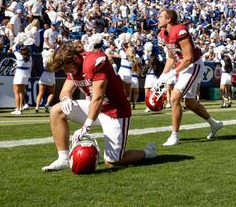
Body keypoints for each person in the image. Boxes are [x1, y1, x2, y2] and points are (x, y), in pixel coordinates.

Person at [42, 41, 156, 171]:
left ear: (75, 58)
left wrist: (86, 126)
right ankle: (63, 158)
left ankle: (147, 153)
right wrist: (66, 98)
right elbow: (65, 90)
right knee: (56, 110)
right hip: (94, 108)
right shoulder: (73, 66)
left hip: (114, 111)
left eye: (67, 67)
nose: (67, 71)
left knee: (113, 162)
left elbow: (98, 97)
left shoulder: (95, 61)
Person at [157, 9, 223, 146]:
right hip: (183, 66)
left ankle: (174, 135)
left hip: (193, 65)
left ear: (169, 19)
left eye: (161, 16)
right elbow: (171, 57)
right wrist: (163, 75)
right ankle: (214, 124)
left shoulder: (180, 30)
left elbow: (189, 58)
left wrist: (172, 73)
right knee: (190, 103)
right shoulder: (163, 33)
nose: (158, 18)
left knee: (175, 97)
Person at [11, 41, 33, 115]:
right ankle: (20, 108)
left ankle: (17, 109)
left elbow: (13, 48)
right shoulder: (30, 57)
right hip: (26, 75)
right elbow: (30, 67)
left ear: (21, 51)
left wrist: (17, 41)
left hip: (19, 74)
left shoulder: (19, 56)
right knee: (22, 92)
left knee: (16, 93)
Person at [35, 46, 55, 113]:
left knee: (40, 93)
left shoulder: (45, 58)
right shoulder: (55, 60)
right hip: (51, 76)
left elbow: (43, 52)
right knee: (52, 92)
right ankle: (47, 104)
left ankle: (37, 106)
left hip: (44, 75)